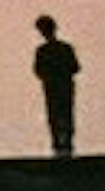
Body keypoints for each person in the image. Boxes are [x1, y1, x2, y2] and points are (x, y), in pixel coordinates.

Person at [32, 13, 81, 156]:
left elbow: (38, 71)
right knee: (64, 114)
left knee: (56, 115)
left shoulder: (43, 51)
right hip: (62, 86)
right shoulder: (64, 48)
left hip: (54, 87)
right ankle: (65, 144)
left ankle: (60, 145)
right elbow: (75, 67)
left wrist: (51, 75)